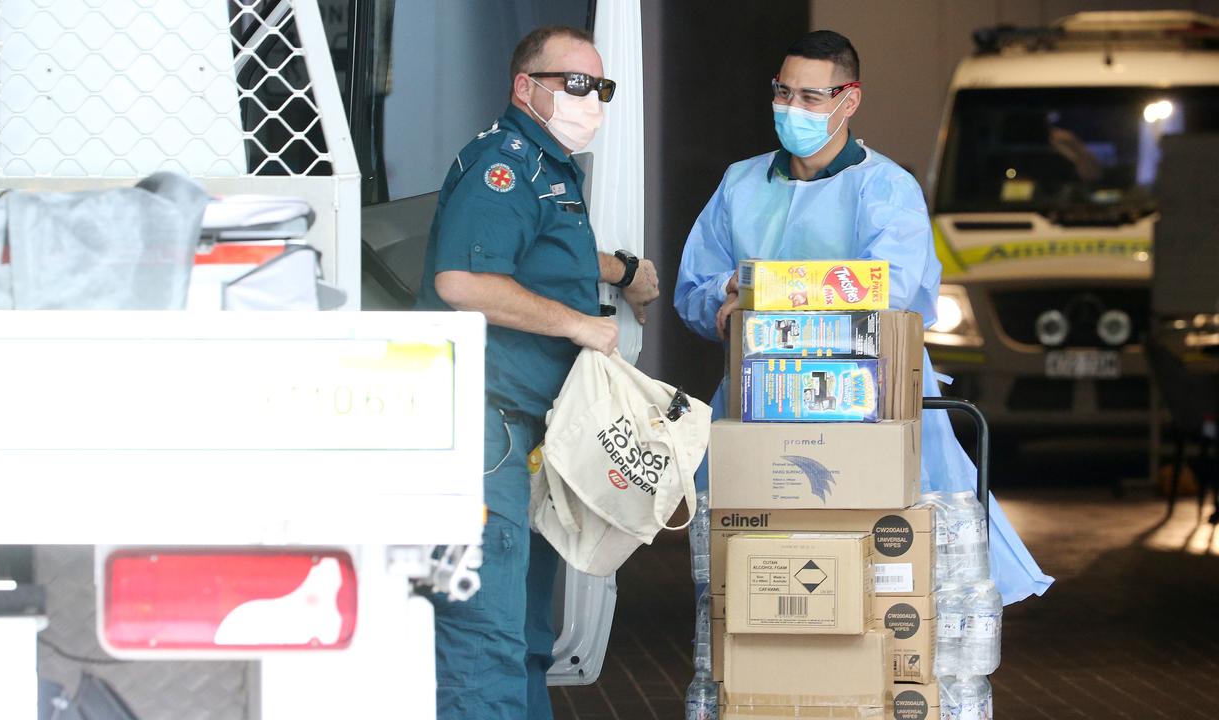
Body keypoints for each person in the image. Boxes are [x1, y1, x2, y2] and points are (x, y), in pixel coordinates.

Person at [674, 30, 1053, 605]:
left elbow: (885, 290)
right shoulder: (740, 183)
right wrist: (726, 295)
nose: (791, 109)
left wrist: (751, 286)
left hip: (867, 409)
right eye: (782, 93)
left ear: (849, 100)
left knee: (889, 584)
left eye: (810, 97)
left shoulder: (886, 190)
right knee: (753, 586)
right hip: (757, 408)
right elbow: (694, 291)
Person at [414, 25, 660, 720]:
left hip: (527, 436)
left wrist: (623, 272)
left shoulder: (551, 171)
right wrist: (581, 325)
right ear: (526, 87)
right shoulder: (507, 164)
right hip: (485, 428)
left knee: (525, 632)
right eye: (573, 83)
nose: (591, 99)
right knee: (483, 634)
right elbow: (464, 280)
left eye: (600, 87)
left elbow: (547, 255)